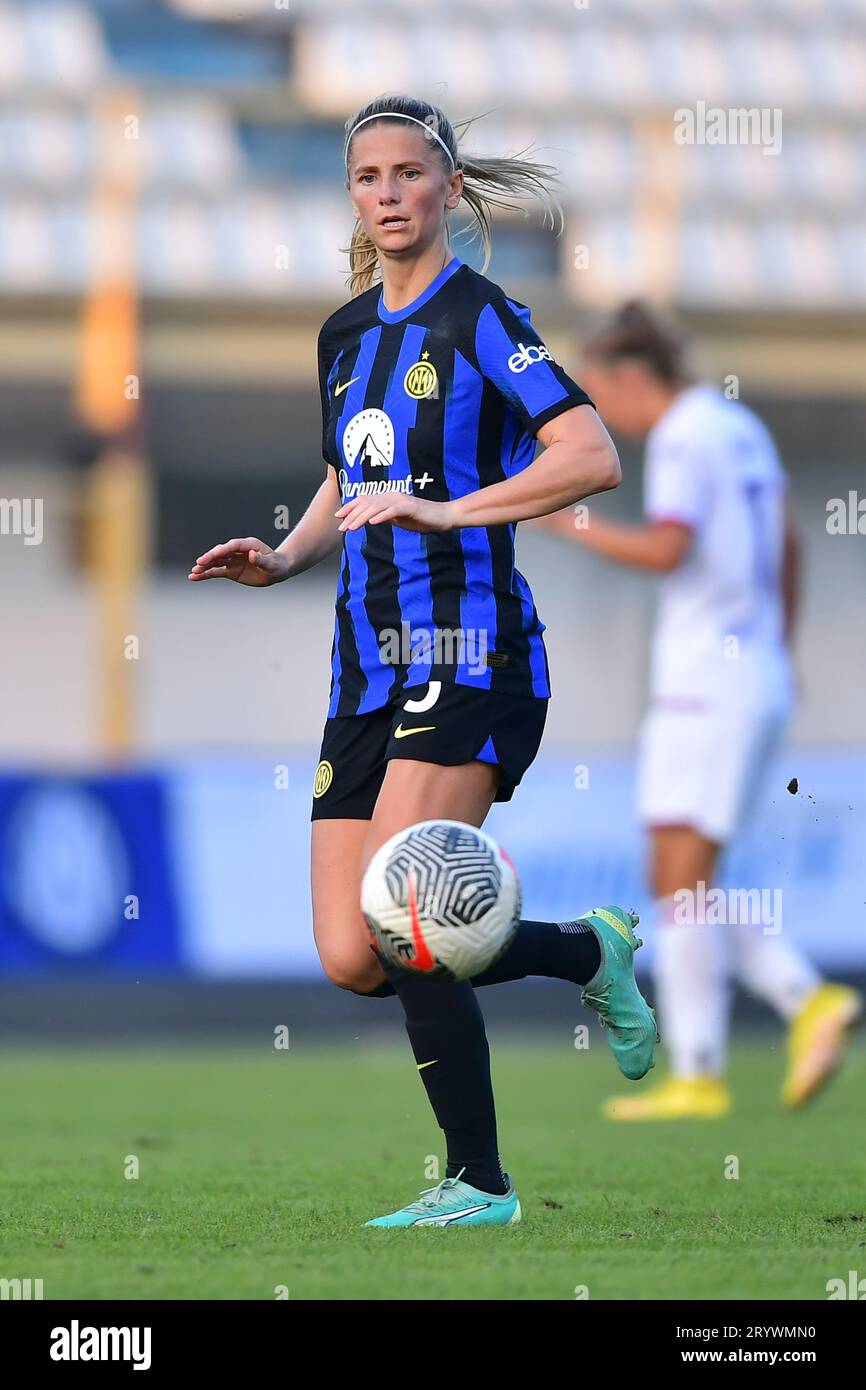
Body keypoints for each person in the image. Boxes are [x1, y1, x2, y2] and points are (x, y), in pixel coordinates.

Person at [189, 95, 657, 1227]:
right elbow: (354, 474)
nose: (388, 193)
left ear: (448, 190)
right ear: (351, 194)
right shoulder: (343, 336)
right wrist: (290, 553)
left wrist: (453, 516)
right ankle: (579, 949)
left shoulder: (484, 316)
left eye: (409, 173)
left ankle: (478, 1185)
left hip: (470, 650)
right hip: (363, 667)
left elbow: (588, 454)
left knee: (404, 908)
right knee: (353, 952)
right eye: (367, 177)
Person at [535, 300, 861, 1120]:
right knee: (693, 879)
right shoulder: (738, 426)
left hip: (702, 686)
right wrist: (775, 648)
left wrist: (571, 523)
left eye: (603, 392)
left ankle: (769, 1025)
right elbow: (786, 541)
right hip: (751, 676)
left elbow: (668, 548)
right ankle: (749, 1039)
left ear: (632, 376)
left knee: (677, 877)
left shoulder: (685, 435)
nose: (604, 414)